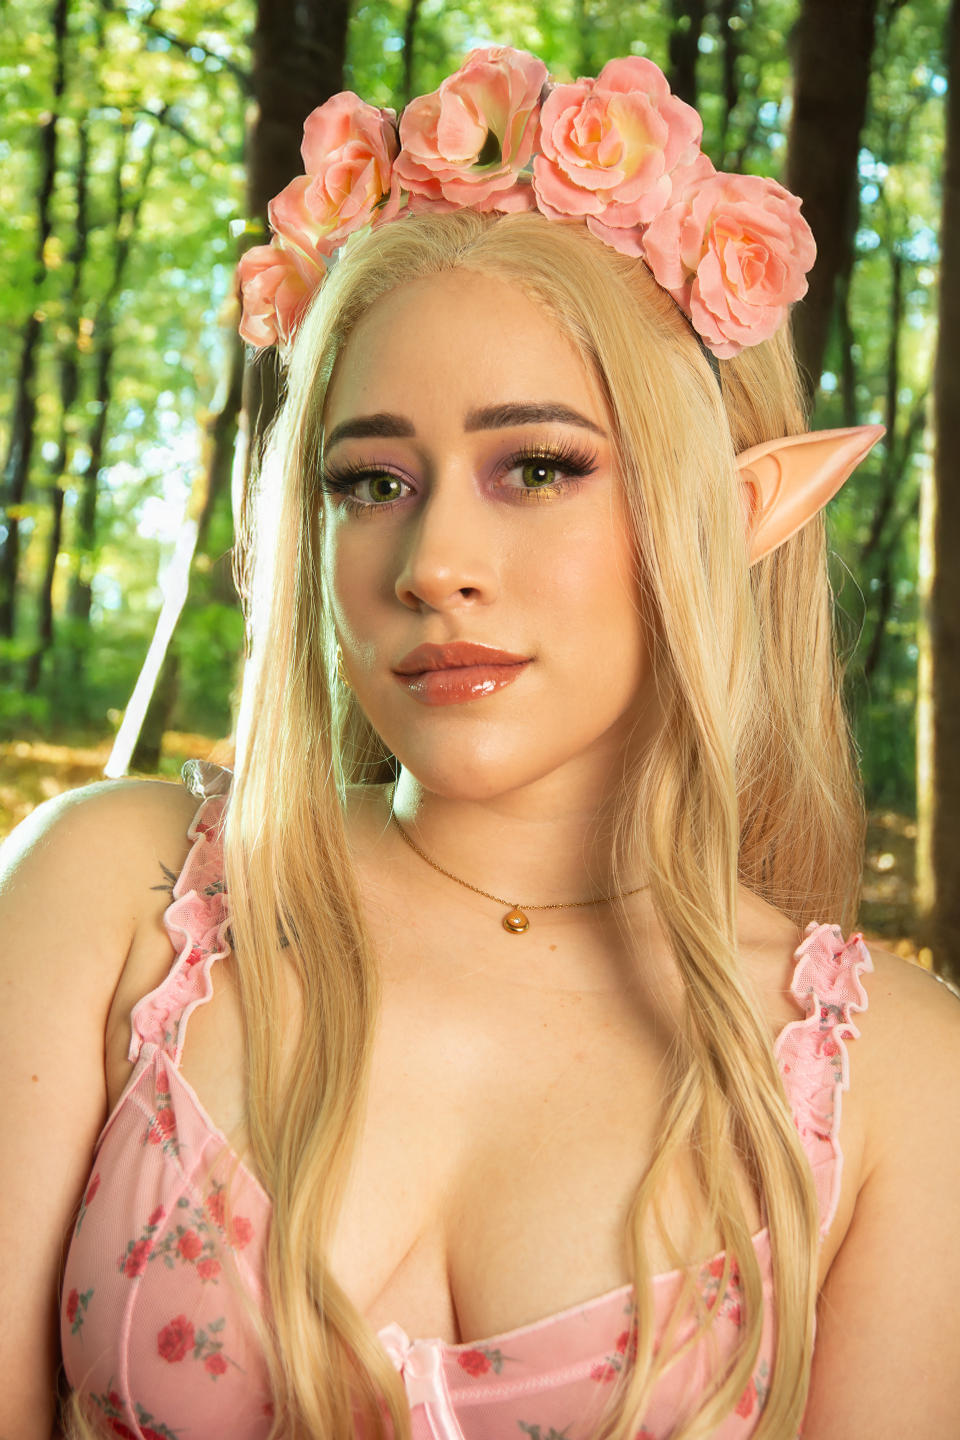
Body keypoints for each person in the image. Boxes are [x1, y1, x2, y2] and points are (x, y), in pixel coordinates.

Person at [2, 43, 958, 1440]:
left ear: (737, 507)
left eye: (541, 467)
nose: (434, 562)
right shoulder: (116, 898)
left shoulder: (902, 1084)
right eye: (370, 482)